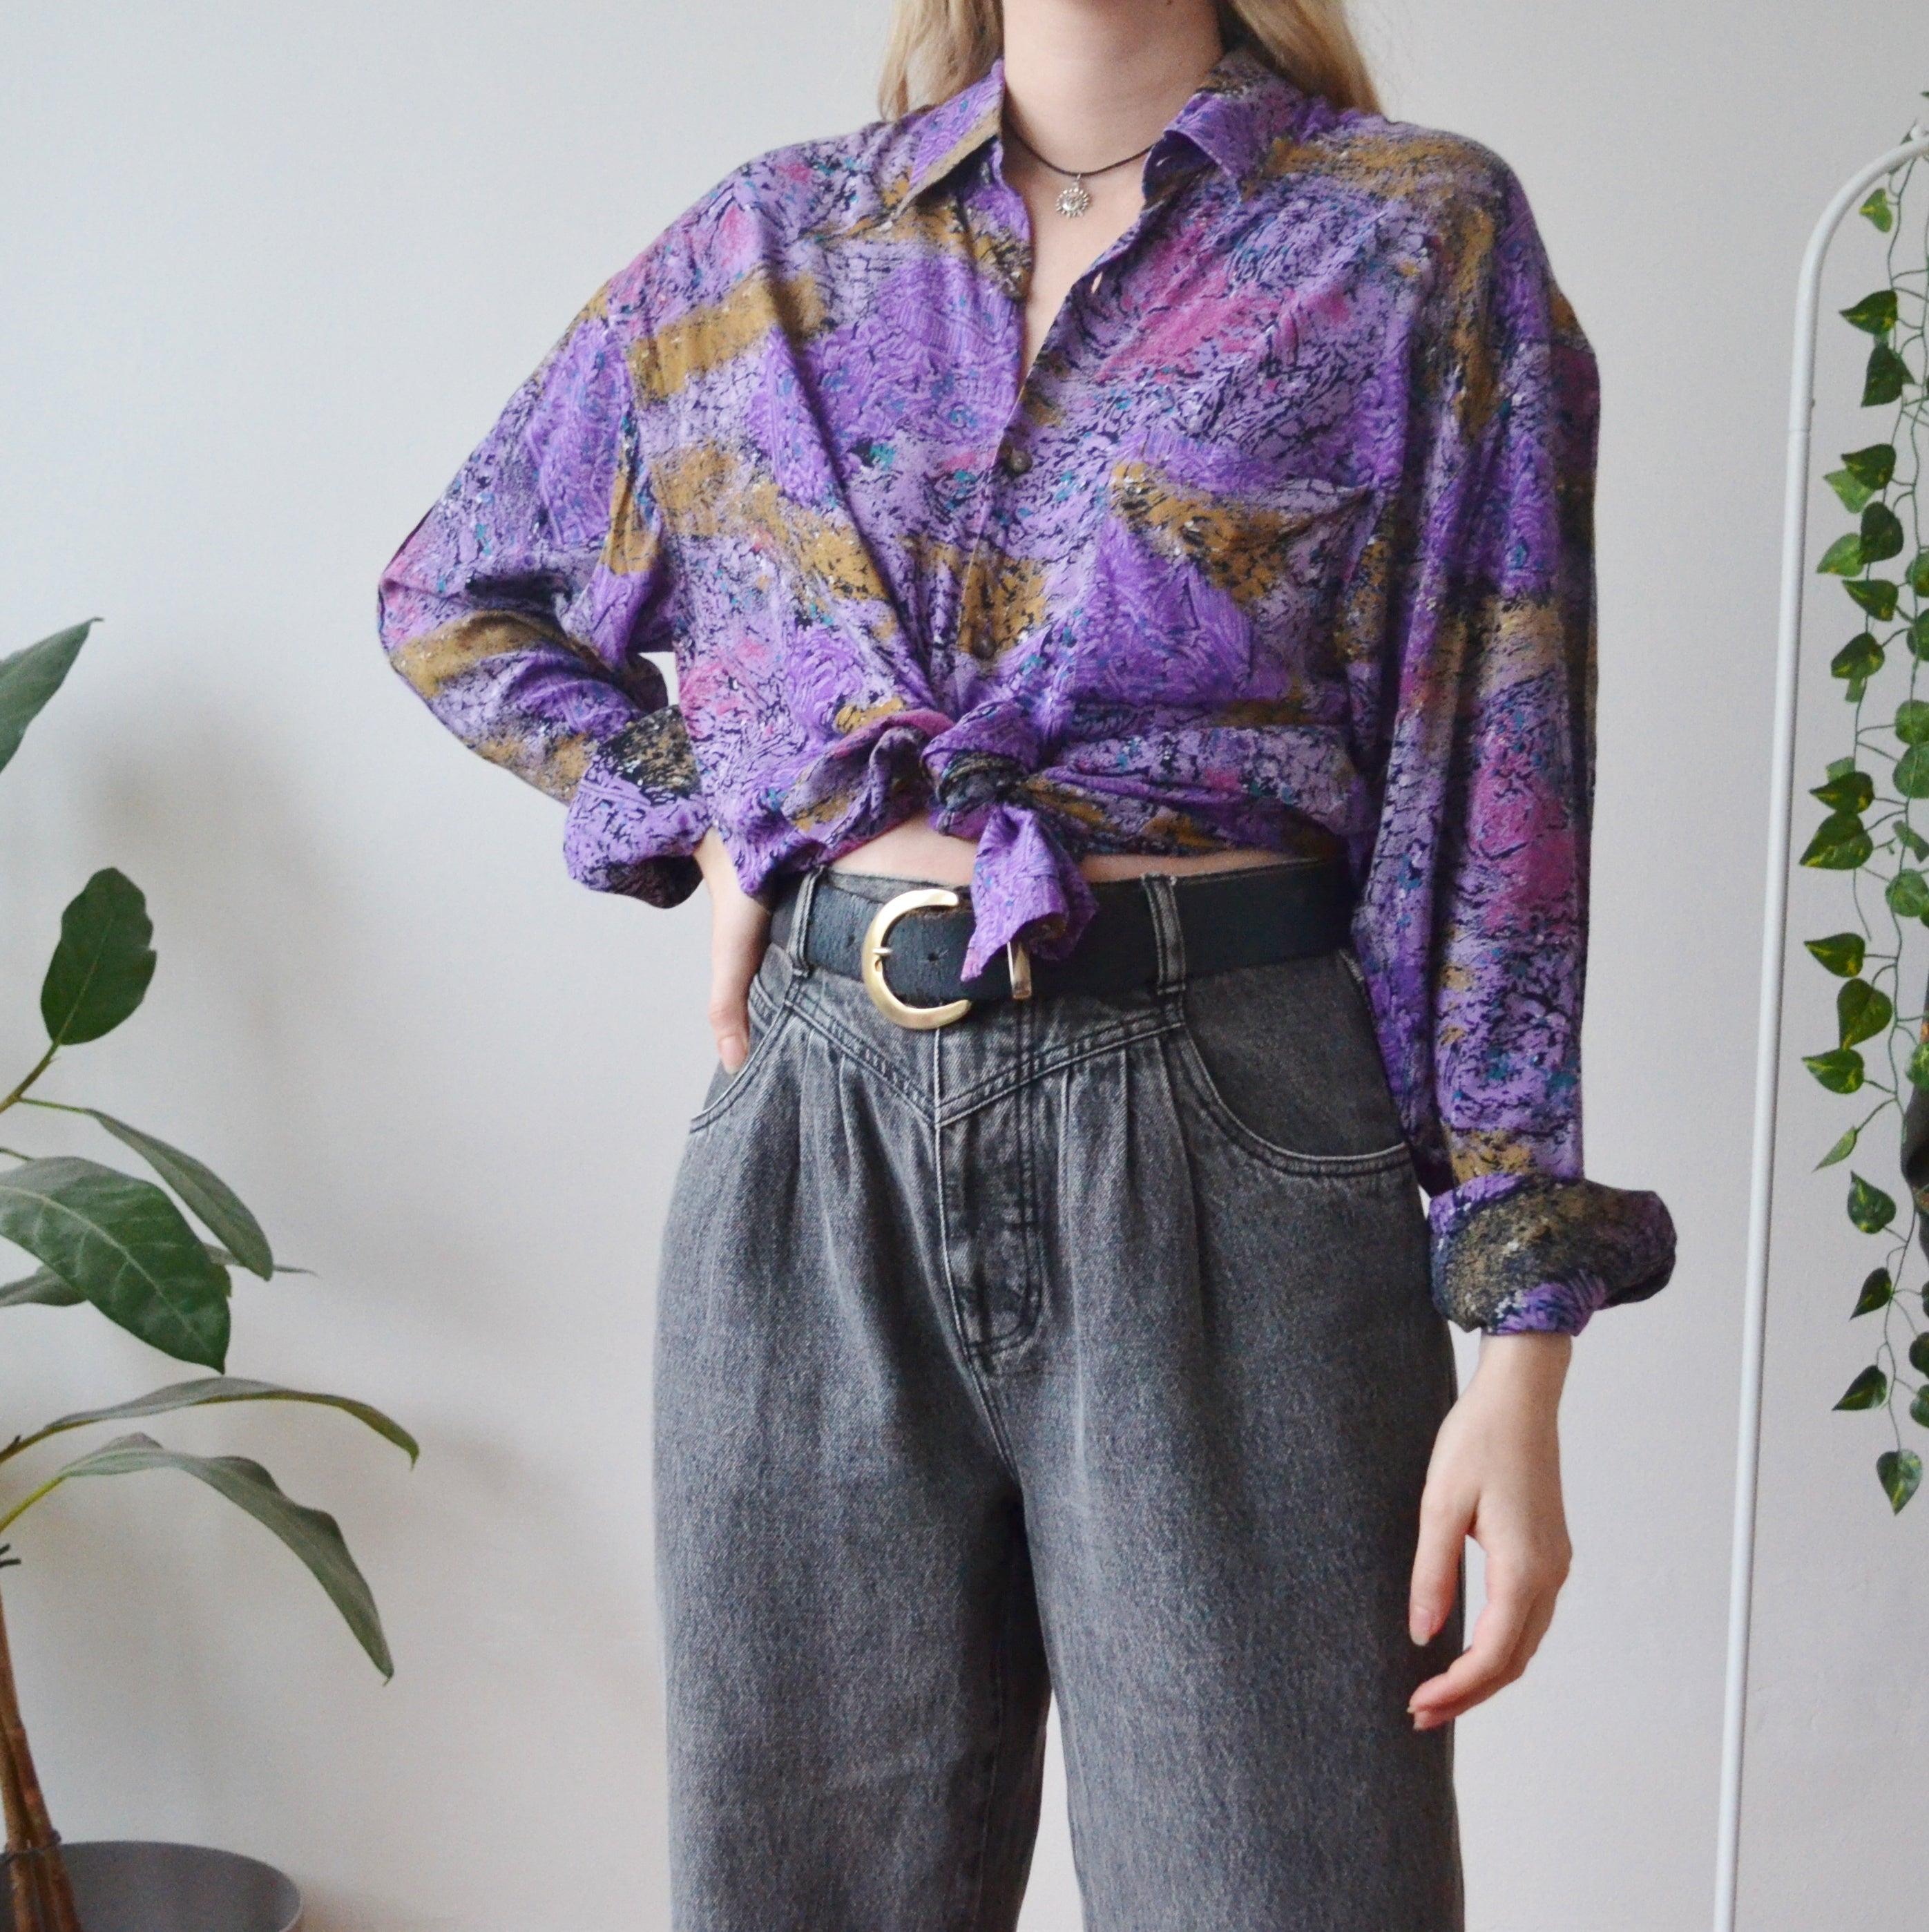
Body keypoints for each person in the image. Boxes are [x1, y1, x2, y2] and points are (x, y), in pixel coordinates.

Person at [376, 0, 1678, 1922]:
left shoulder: (1409, 236)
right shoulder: (771, 244)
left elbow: (1496, 778)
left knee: (1278, 1889)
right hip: (814, 1137)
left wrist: (1520, 1334)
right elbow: (456, 590)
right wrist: (722, 804)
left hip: (1230, 1136)